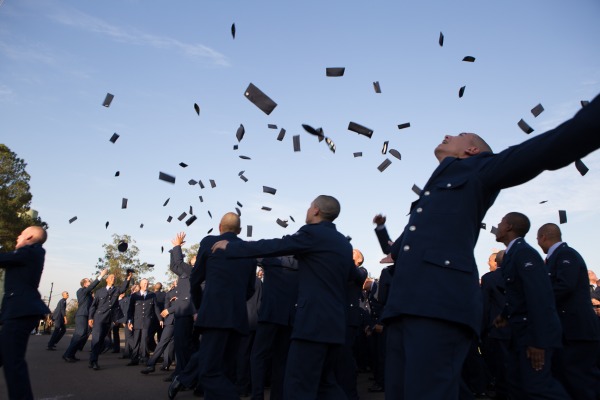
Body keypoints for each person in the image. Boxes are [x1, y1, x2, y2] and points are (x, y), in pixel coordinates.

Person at [379, 95, 600, 399]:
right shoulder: (433, 191)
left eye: (459, 134)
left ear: (471, 150)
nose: (448, 134)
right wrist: (382, 233)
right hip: (404, 307)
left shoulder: (480, 171)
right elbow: (399, 248)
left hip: (438, 306)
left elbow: (547, 149)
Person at [211, 195, 356, 400]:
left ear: (315, 210)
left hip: (312, 325)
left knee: (298, 385)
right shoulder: (343, 243)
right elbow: (354, 275)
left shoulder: (311, 234)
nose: (307, 209)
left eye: (309, 206)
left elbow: (273, 246)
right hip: (336, 324)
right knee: (326, 384)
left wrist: (232, 246)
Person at [169, 212, 257, 400]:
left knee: (209, 369)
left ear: (219, 227)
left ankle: (184, 379)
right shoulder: (248, 251)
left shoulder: (209, 243)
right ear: (239, 230)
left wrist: (201, 306)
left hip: (214, 313)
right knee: (225, 369)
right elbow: (250, 289)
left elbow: (195, 279)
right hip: (238, 316)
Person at [493, 212, 568, 399]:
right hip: (520, 333)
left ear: (509, 227)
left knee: (539, 388)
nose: (498, 225)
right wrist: (504, 314)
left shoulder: (524, 253)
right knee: (518, 386)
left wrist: (538, 342)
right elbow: (519, 294)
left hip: (531, 336)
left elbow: (539, 297)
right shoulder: (513, 254)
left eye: (501, 222)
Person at [536, 222, 600, 399]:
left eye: (538, 239)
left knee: (580, 379)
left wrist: (538, 302)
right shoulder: (557, 257)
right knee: (569, 378)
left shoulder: (565, 254)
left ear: (543, 237)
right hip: (568, 329)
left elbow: (565, 286)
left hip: (577, 329)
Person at [0, 226, 51, 400]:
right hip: (17, 311)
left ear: (29, 236)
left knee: (13, 363)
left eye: (20, 234)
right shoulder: (30, 253)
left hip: (20, 312)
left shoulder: (32, 251)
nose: (17, 237)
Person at [250, 256, 299, 400]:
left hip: (270, 315)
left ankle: (257, 396)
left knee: (258, 356)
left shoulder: (272, 259)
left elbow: (253, 251)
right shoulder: (301, 263)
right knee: (281, 360)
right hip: (289, 318)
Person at [166, 232, 197, 380]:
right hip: (181, 311)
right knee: (180, 344)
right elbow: (174, 266)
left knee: (185, 345)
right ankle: (179, 372)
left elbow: (179, 263)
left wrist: (177, 247)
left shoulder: (195, 272)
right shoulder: (187, 272)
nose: (191, 262)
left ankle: (185, 375)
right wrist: (173, 251)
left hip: (188, 312)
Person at [480, 250, 510, 400]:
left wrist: (482, 329)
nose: (488, 263)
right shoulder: (517, 276)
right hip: (518, 328)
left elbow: (484, 306)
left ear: (497, 262)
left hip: (495, 329)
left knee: (499, 368)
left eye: (490, 260)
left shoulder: (489, 279)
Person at [88, 271, 132, 370]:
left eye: (114, 278)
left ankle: (92, 359)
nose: (113, 279)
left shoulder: (116, 290)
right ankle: (94, 361)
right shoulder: (100, 291)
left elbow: (124, 288)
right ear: (107, 280)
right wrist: (90, 317)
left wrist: (128, 279)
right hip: (99, 317)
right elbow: (93, 306)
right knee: (96, 339)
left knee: (102, 340)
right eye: (111, 277)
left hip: (110, 319)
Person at [62, 268, 108, 362]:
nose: (90, 281)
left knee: (83, 334)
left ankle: (71, 354)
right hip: (82, 315)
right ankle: (67, 354)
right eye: (88, 281)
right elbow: (91, 287)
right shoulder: (81, 291)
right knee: (80, 334)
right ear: (84, 284)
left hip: (87, 316)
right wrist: (101, 276)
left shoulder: (89, 294)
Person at [127, 278, 161, 365]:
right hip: (137, 321)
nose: (146, 285)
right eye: (144, 283)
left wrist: (160, 319)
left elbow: (156, 308)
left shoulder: (152, 295)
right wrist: (129, 321)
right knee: (136, 340)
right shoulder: (134, 296)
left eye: (147, 283)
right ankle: (134, 359)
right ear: (140, 285)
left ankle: (145, 358)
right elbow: (130, 309)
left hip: (147, 321)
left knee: (145, 340)